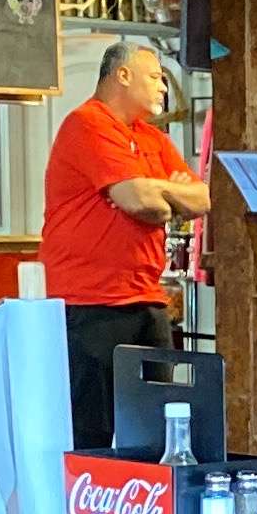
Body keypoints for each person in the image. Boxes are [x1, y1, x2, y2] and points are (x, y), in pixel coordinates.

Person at [44, 36, 206, 447]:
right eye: (155, 77)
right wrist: (163, 195)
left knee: (157, 432)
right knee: (91, 434)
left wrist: (155, 194)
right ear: (123, 75)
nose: (163, 87)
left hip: (146, 300)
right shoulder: (88, 123)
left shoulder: (153, 138)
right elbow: (139, 202)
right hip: (89, 303)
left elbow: (202, 199)